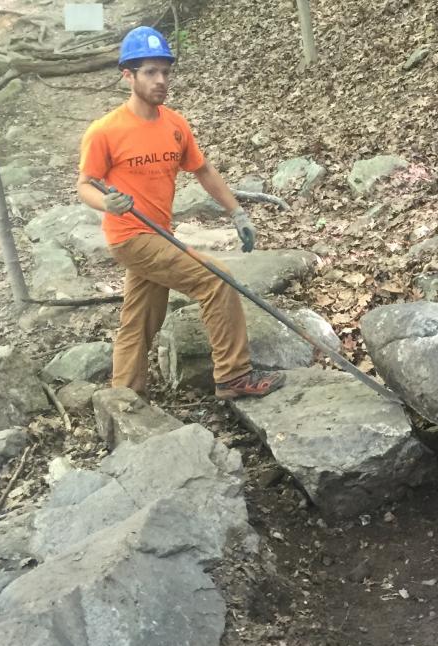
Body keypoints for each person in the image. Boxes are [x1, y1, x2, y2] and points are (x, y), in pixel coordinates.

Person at [76, 26, 283, 400]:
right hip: (130, 236)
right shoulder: (105, 131)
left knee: (138, 321)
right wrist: (105, 202)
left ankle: (124, 396)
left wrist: (238, 213)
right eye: (151, 72)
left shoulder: (174, 124)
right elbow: (85, 184)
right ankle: (234, 378)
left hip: (160, 233)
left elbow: (202, 170)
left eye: (165, 72)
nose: (161, 80)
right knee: (217, 280)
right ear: (129, 75)